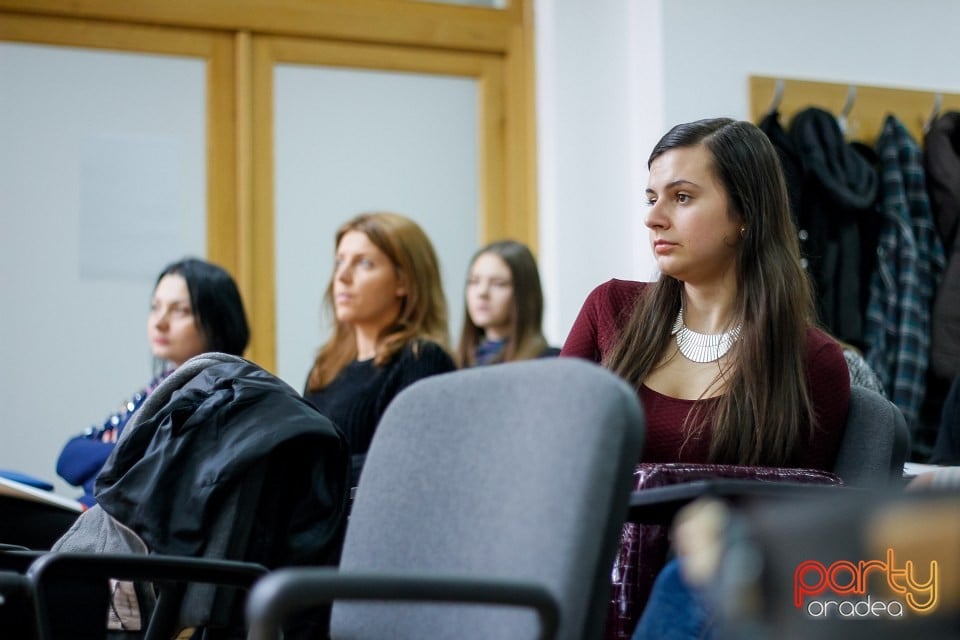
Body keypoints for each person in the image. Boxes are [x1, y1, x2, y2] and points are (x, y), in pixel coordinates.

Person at [561, 117, 850, 471]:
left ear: (745, 212)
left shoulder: (812, 362)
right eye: (651, 199)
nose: (653, 218)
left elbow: (802, 516)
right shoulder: (609, 309)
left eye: (681, 197)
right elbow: (550, 458)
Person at [56, 257, 250, 507]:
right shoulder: (158, 386)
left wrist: (123, 456)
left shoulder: (222, 394)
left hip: (132, 532)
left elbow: (164, 477)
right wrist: (131, 457)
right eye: (155, 307)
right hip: (97, 516)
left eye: (180, 311)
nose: (160, 322)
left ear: (218, 321)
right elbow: (69, 457)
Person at [303, 212, 456, 487]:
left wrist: (311, 480)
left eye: (364, 263)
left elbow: (403, 462)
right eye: (339, 262)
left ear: (404, 282)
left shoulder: (421, 359)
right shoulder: (324, 368)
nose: (342, 276)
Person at [456, 239, 559, 367]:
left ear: (524, 293)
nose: (482, 292)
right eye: (474, 281)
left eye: (499, 284)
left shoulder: (550, 362)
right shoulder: (454, 364)